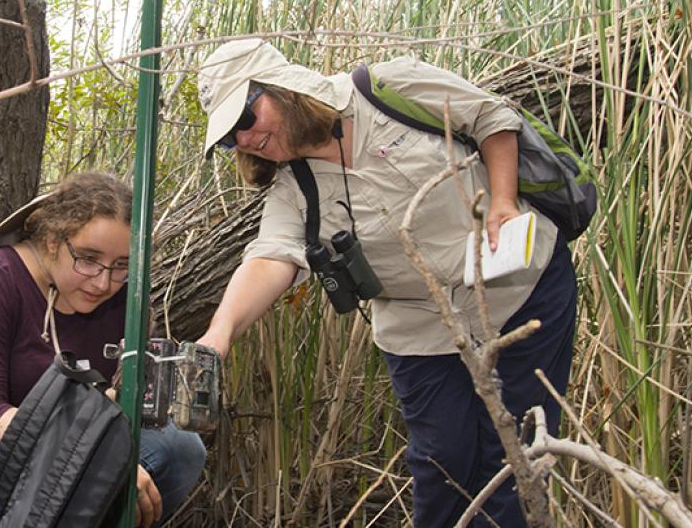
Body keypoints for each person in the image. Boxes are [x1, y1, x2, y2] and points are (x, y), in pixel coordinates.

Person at [194, 39, 578, 528]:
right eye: (230, 138)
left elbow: (490, 118)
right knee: (441, 466)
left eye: (244, 120)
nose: (244, 141)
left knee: (514, 459)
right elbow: (271, 256)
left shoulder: (386, 88)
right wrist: (219, 333)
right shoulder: (295, 190)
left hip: (522, 292)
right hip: (420, 330)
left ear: (281, 87)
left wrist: (502, 200)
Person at [0, 171, 206, 527]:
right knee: (62, 487)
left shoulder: (127, 297)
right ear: (53, 240)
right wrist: (97, 464)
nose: (103, 282)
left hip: (71, 439)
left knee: (180, 449)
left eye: (121, 265)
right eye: (87, 258)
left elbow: (120, 403)